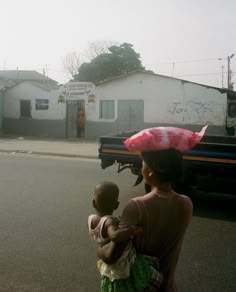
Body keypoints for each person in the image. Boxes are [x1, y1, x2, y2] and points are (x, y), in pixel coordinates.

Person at [98, 148, 193, 291]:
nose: (141, 166)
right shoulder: (186, 203)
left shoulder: (136, 206)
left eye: (143, 163)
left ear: (150, 171)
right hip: (167, 286)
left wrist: (100, 249)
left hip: (142, 286)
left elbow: (112, 255)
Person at [88, 181, 163, 292]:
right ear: (116, 205)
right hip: (123, 262)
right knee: (143, 278)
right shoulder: (110, 221)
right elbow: (114, 236)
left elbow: (100, 236)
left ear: (93, 203)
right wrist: (132, 230)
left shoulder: (91, 220)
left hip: (108, 264)